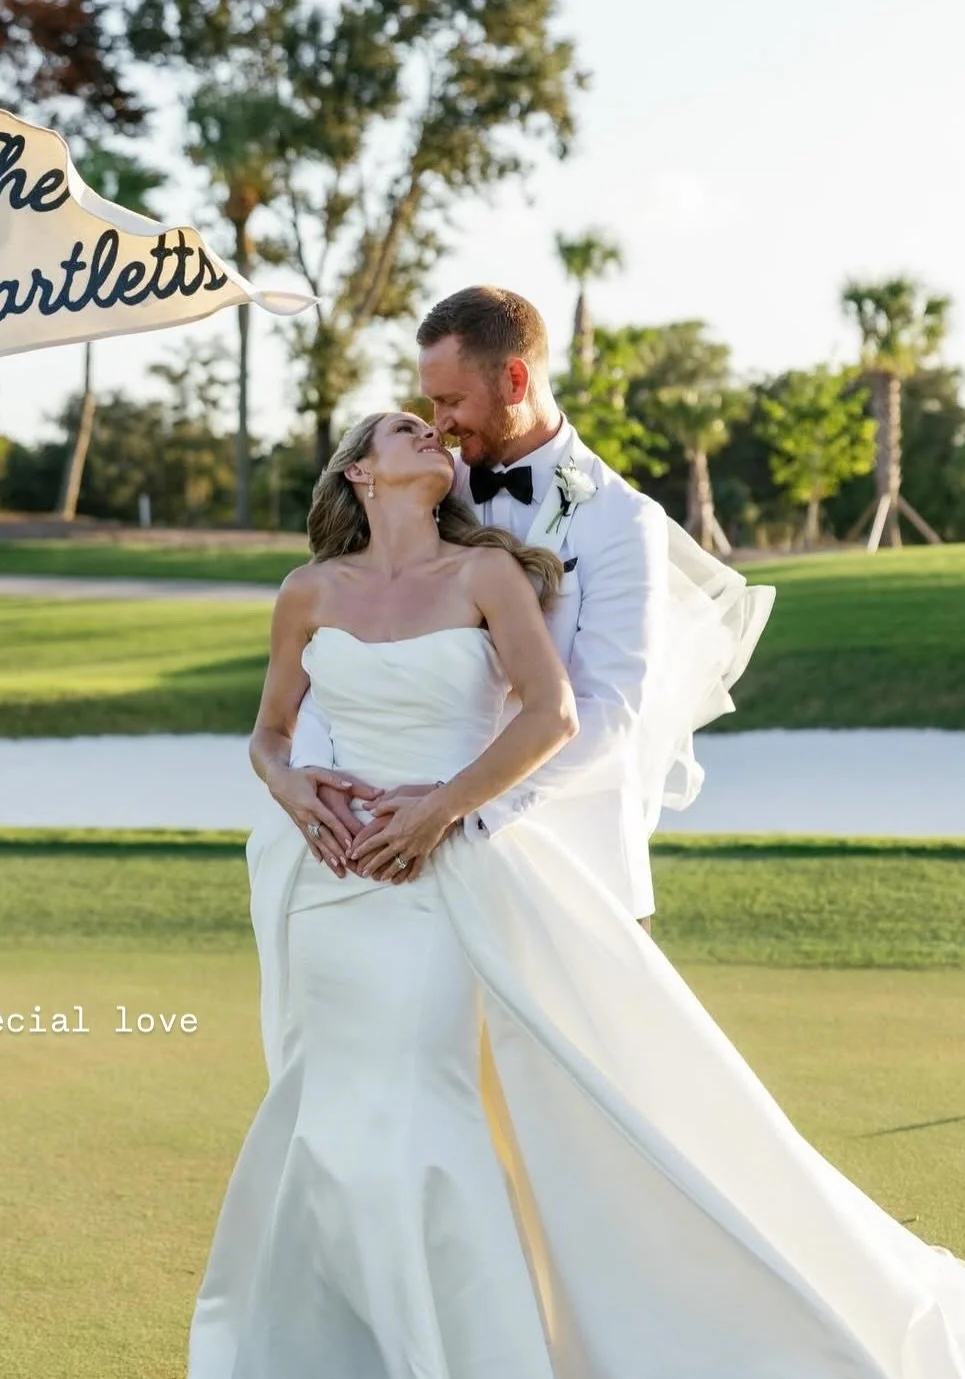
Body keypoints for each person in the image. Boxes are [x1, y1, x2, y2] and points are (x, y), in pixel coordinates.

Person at [187, 408, 965, 1379]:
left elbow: (553, 717)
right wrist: (297, 790)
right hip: (332, 884)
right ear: (360, 471)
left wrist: (442, 805)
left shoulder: (489, 576)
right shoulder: (309, 591)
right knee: (333, 1107)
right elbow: (270, 733)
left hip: (439, 872)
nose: (435, 434)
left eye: (439, 425)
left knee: (422, 1103)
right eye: (407, 427)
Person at [274, 285, 775, 927]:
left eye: (452, 400)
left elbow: (611, 711)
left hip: (574, 869)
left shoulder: (622, 520)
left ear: (514, 379)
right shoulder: (421, 483)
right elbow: (339, 653)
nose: (440, 422)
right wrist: (324, 785)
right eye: (431, 403)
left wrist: (460, 806)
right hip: (408, 864)